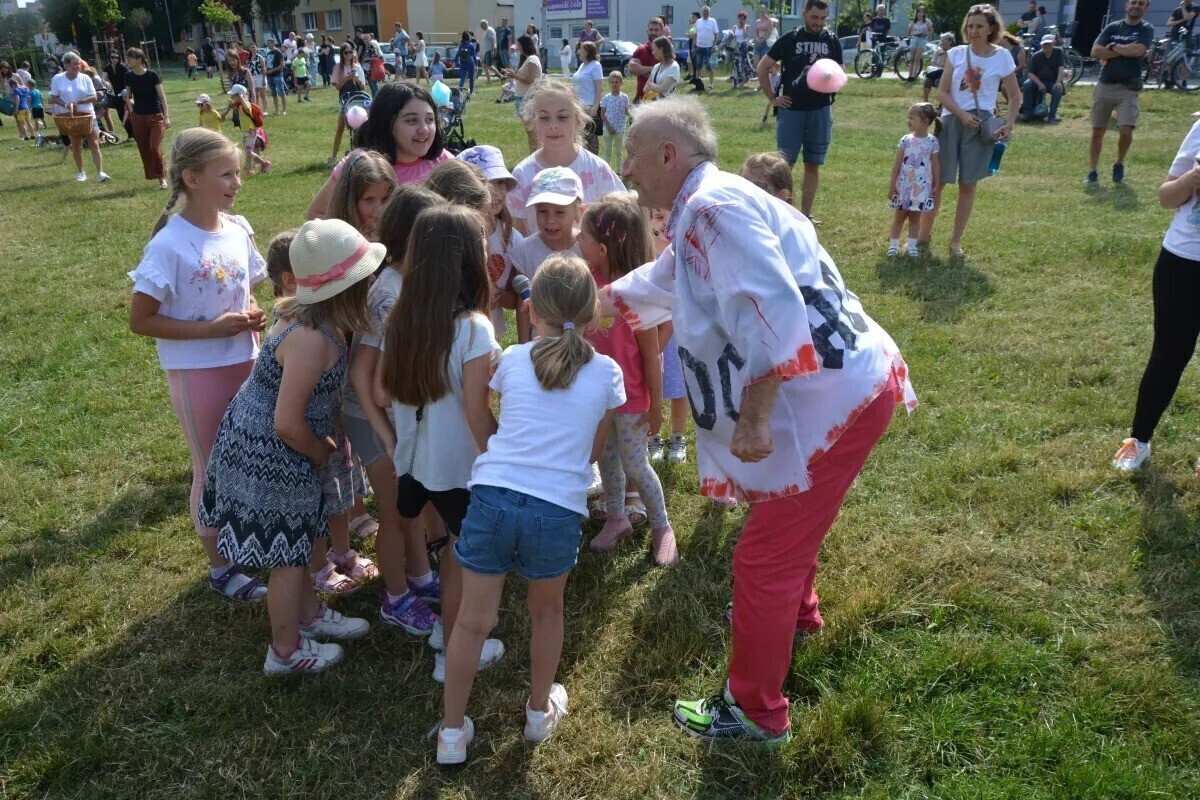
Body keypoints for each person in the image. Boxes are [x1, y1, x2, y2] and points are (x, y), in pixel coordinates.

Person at [607, 95, 916, 744]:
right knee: (780, 528)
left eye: (632, 156)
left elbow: (772, 305)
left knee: (761, 560)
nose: (626, 170)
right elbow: (674, 275)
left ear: (669, 155)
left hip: (834, 402)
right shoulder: (706, 205)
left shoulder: (712, 210)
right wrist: (603, 301)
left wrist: (754, 418)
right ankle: (797, 617)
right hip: (853, 384)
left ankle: (755, 711)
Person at [433, 255, 625, 765]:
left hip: (491, 496)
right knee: (547, 614)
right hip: (557, 509)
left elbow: (498, 418)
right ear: (592, 315)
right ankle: (539, 714)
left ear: (531, 311)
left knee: (472, 622)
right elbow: (589, 455)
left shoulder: (513, 358)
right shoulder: (607, 373)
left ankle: (452, 733)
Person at [201, 217, 375, 675]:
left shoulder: (312, 316)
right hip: (275, 451)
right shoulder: (313, 340)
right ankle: (284, 650)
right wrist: (320, 451)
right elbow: (286, 421)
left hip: (282, 446)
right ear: (345, 289)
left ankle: (309, 616)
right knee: (288, 554)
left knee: (300, 541)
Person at [127, 128, 269, 607]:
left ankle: (252, 539)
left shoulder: (237, 229)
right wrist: (214, 329)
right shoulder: (169, 245)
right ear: (191, 178)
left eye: (237, 172)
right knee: (211, 468)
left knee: (250, 457)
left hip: (247, 363)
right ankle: (221, 566)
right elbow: (140, 320)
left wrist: (250, 315)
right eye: (226, 173)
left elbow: (248, 287)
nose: (238, 182)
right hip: (198, 373)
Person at [376, 205, 507, 684]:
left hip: (412, 466)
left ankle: (443, 635)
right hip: (460, 471)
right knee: (458, 559)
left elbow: (381, 393)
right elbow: (477, 413)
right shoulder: (473, 328)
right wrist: (504, 461)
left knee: (447, 551)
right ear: (469, 261)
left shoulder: (399, 320)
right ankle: (452, 649)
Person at [579, 194, 677, 565]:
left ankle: (661, 526)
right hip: (597, 400)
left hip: (633, 400)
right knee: (607, 461)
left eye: (584, 236)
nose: (578, 241)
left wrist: (655, 407)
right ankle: (617, 517)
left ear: (602, 248)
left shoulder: (637, 294)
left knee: (637, 466)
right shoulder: (586, 282)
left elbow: (652, 356)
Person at [1113, 117, 1200, 472]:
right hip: (1182, 260)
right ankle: (1139, 441)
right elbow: (1166, 197)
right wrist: (1190, 180)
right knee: (1168, 354)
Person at [919, 3, 1018, 257]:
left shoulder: (1002, 56)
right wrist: (961, 114)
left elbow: (1015, 95)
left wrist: (1009, 123)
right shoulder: (956, 54)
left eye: (979, 26)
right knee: (937, 181)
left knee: (968, 184)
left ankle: (955, 242)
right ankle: (922, 235)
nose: (973, 31)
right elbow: (942, 91)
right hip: (952, 120)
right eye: (970, 26)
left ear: (991, 29)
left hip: (981, 125)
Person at [757, 0, 843, 224]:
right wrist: (773, 99)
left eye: (823, 19)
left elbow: (840, 73)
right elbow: (762, 67)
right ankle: (786, 213)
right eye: (815, 17)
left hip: (821, 110)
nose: (819, 23)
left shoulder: (832, 40)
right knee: (786, 166)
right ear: (805, 13)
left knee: (813, 164)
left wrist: (833, 79)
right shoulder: (791, 38)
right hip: (792, 110)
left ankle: (805, 215)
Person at [310, 81, 450, 218]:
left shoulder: (446, 164)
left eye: (430, 119)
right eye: (411, 120)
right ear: (386, 123)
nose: (424, 129)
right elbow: (316, 214)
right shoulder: (360, 166)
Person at [508, 78, 624, 236]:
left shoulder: (597, 170)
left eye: (562, 117)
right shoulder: (522, 174)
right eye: (544, 117)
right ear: (533, 122)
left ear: (578, 120)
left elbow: (622, 216)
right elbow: (516, 233)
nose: (553, 125)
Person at [1087, 0, 1153, 185]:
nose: (1136, 6)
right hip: (1105, 85)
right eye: (1133, 2)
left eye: (1141, 4)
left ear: (1146, 8)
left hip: (1128, 88)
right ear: (1127, 5)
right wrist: (1123, 48)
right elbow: (1095, 51)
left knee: (1125, 129)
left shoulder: (1146, 29)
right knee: (1097, 131)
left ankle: (1119, 163)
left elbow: (1138, 50)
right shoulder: (1112, 27)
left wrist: (1112, 47)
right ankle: (1093, 171)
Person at [887, 103, 941, 257]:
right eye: (908, 117)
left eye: (911, 118)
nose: (908, 121)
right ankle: (893, 246)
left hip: (921, 187)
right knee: (900, 215)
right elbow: (897, 164)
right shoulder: (906, 140)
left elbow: (935, 165)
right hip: (904, 186)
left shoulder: (932, 142)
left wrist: (936, 183)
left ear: (924, 122)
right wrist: (892, 186)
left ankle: (912, 246)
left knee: (915, 217)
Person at [49, 51, 109, 183]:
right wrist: (66, 105)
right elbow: (53, 97)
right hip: (70, 117)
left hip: (88, 115)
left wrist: (79, 102)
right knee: (76, 145)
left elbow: (94, 96)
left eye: (79, 64)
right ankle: (81, 172)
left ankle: (100, 172)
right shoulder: (58, 79)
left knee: (94, 143)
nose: (78, 67)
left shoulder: (85, 78)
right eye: (74, 65)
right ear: (66, 65)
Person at [124, 47, 170, 189]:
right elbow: (128, 96)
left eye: (130, 58)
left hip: (155, 116)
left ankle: (162, 178)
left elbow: (162, 98)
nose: (128, 60)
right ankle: (155, 177)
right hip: (139, 117)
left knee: (154, 146)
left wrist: (166, 117)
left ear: (139, 60)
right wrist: (132, 111)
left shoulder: (152, 75)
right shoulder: (129, 76)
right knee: (144, 148)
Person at [219, 85, 270, 175]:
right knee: (248, 152)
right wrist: (229, 107)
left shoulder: (246, 104)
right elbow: (223, 115)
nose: (231, 98)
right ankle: (253, 168)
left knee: (248, 152)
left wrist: (242, 98)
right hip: (245, 131)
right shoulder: (238, 105)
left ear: (239, 95)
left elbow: (246, 108)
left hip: (250, 131)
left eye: (233, 96)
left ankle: (261, 165)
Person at [328, 46, 365, 162]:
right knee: (340, 129)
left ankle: (357, 154)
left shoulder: (358, 68)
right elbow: (337, 87)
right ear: (342, 54)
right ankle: (333, 156)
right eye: (346, 52)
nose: (348, 54)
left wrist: (357, 80)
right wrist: (346, 78)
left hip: (357, 100)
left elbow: (363, 87)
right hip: (344, 100)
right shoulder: (338, 68)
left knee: (357, 129)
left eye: (350, 52)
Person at [508, 36, 543, 153]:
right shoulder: (527, 59)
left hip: (528, 98)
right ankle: (533, 155)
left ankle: (536, 156)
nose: (517, 48)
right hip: (523, 98)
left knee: (532, 131)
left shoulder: (532, 59)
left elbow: (529, 80)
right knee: (529, 131)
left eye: (519, 45)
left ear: (524, 45)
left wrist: (514, 75)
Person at [1021, 34, 1066, 122]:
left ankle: (1051, 116)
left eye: (1049, 43)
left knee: (1058, 89)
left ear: (1053, 43)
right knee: (1027, 84)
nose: (1046, 46)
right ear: (1041, 45)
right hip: (1038, 81)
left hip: (1053, 81)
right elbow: (1030, 74)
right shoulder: (1036, 56)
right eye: (1044, 44)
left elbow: (1061, 69)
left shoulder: (1059, 52)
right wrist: (1040, 84)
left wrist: (1058, 82)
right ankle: (1027, 113)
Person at [574, 41, 604, 153]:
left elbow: (599, 88)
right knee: (580, 136)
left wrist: (595, 108)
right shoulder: (582, 65)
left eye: (580, 49)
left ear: (587, 51)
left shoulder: (595, 66)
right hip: (578, 106)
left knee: (591, 137)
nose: (578, 52)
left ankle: (594, 162)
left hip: (590, 106)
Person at [628, 17, 665, 101]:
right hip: (640, 98)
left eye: (656, 30)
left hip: (660, 101)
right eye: (651, 29)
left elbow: (666, 75)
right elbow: (632, 68)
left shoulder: (667, 51)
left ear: (662, 31)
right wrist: (655, 69)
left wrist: (642, 71)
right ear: (647, 30)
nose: (653, 32)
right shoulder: (641, 49)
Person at [600, 71, 631, 171]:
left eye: (617, 82)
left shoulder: (624, 97)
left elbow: (626, 111)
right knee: (607, 151)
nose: (614, 84)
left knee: (619, 151)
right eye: (612, 82)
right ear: (609, 83)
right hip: (608, 128)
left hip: (620, 128)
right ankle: (606, 171)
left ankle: (618, 171)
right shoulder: (606, 98)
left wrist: (631, 111)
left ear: (621, 83)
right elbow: (602, 114)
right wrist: (609, 127)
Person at [693, 6, 721, 90]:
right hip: (699, 47)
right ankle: (698, 84)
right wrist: (693, 47)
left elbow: (716, 35)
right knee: (698, 66)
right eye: (704, 11)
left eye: (707, 11)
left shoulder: (712, 21)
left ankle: (711, 84)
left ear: (709, 12)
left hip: (709, 48)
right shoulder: (698, 21)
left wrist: (714, 46)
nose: (705, 12)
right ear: (702, 12)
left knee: (709, 67)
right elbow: (695, 35)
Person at [924, 33, 954, 103]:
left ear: (949, 42)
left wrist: (944, 55)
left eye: (943, 40)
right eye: (941, 40)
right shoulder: (937, 52)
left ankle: (942, 103)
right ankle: (925, 101)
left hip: (948, 75)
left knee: (939, 81)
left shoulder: (953, 52)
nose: (941, 42)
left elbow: (948, 66)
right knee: (928, 80)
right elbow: (933, 63)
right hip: (937, 72)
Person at [908, 6, 935, 81]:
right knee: (912, 59)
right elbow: (909, 32)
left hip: (922, 40)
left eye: (921, 12)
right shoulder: (913, 21)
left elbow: (932, 31)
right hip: (914, 39)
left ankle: (913, 76)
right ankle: (909, 75)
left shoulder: (927, 22)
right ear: (916, 13)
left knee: (917, 58)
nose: (920, 14)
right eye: (918, 12)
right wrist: (912, 34)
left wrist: (926, 33)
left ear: (924, 13)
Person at [264, 40, 287, 116]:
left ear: (273, 43)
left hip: (277, 75)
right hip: (270, 76)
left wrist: (272, 70)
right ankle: (276, 110)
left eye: (268, 43)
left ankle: (284, 110)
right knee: (274, 94)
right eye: (267, 43)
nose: (267, 44)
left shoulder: (278, 52)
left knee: (281, 92)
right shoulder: (268, 53)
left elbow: (282, 65)